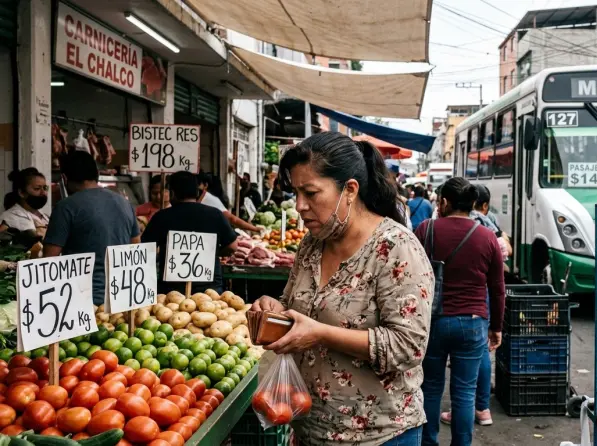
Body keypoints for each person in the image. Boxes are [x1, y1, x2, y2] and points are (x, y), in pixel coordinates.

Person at [251, 132, 433, 446]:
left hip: (379, 435)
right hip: (311, 429)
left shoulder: (395, 248)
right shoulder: (312, 243)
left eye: (310, 193)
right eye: (296, 193)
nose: (300, 206)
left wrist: (320, 333)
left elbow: (409, 346)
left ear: (349, 190)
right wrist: (275, 310)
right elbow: (297, 306)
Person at [414, 177, 505, 446]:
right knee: (465, 392)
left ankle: (429, 442)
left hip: (432, 321)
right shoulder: (487, 237)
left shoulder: (425, 230)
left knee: (430, 388)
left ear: (443, 202)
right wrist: (496, 327)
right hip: (473, 322)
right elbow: (498, 288)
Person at [43, 151, 140, 305]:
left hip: (83, 299)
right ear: (96, 175)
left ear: (65, 178)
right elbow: (135, 246)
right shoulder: (124, 203)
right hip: (122, 293)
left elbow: (49, 260)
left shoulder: (66, 207)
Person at [142, 172, 238, 294]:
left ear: (172, 193)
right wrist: (212, 252)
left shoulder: (161, 217)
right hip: (210, 290)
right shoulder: (215, 214)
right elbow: (233, 246)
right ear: (197, 193)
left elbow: (145, 250)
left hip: (172, 292)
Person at [0, 168, 49, 237]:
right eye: (37, 188)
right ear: (21, 193)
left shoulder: (46, 217)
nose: (43, 192)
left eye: (45, 188)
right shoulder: (9, 218)